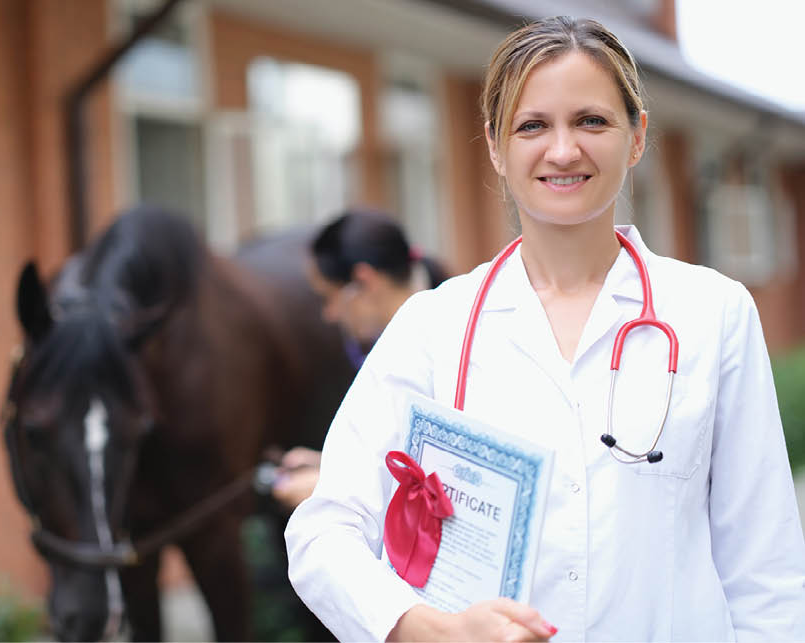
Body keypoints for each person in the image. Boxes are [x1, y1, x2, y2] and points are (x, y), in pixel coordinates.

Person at [285, 16, 805, 642]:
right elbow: (323, 530)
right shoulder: (432, 325)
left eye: (592, 120)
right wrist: (427, 628)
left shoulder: (712, 313)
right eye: (532, 125)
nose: (563, 150)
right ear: (496, 147)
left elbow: (766, 570)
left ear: (637, 137)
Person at [271, 210, 448, 509]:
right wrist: (329, 466)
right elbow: (403, 452)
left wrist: (328, 486)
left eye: (329, 297)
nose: (330, 315)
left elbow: (450, 479)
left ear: (364, 280)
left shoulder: (443, 346)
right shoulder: (405, 339)